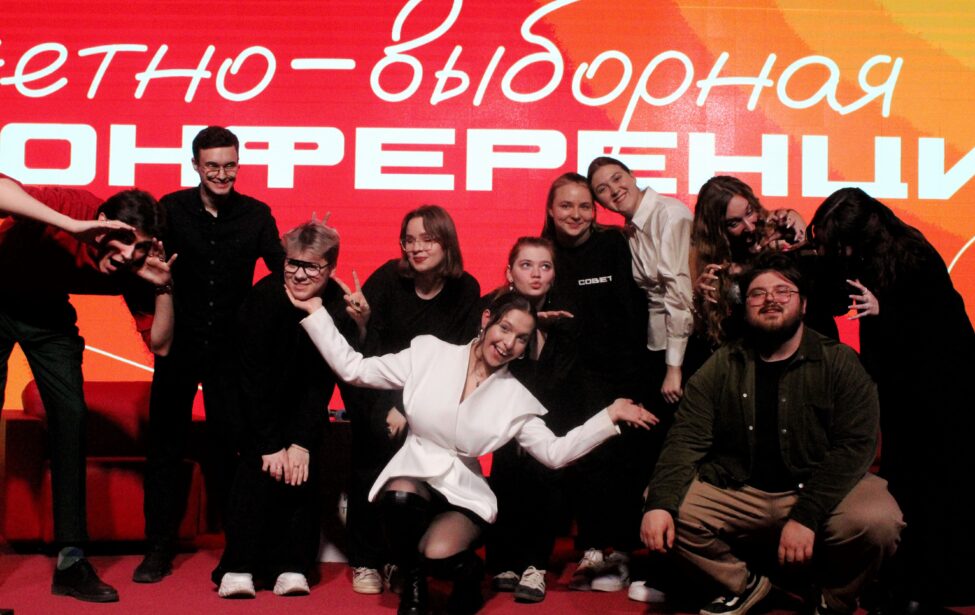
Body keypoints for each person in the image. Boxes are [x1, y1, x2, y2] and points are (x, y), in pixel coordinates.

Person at [291, 289, 657, 615]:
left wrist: (610, 415)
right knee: (399, 497)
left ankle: (469, 578)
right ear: (486, 320)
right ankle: (414, 587)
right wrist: (317, 313)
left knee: (439, 555)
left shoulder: (515, 398)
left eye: (521, 339)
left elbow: (554, 452)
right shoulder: (429, 353)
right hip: (415, 474)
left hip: (462, 493)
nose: (508, 343)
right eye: (505, 328)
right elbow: (354, 369)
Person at [641, 252, 904, 615]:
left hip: (816, 486)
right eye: (758, 293)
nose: (770, 300)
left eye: (783, 291)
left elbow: (855, 447)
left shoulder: (839, 361)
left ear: (804, 304)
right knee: (661, 501)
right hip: (742, 489)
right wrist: (658, 504)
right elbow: (686, 438)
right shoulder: (724, 363)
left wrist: (806, 515)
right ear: (745, 306)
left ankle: (833, 599)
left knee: (879, 520)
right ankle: (745, 585)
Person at [0, 175, 174, 602]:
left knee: (71, 416)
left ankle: (71, 562)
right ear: (103, 221)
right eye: (121, 241)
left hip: (46, 314)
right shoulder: (73, 207)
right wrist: (73, 226)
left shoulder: (135, 266)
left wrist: (163, 287)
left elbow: (161, 345)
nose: (127, 255)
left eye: (139, 247)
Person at [809, 188, 975, 613]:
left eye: (836, 243)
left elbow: (946, 331)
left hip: (941, 394)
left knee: (933, 487)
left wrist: (888, 313)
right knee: (905, 482)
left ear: (856, 237)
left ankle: (931, 586)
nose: (834, 251)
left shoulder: (912, 255)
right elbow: (831, 291)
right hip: (902, 391)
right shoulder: (863, 255)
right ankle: (904, 581)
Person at [135, 126, 285, 583]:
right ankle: (158, 549)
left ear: (239, 164)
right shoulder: (170, 208)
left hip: (230, 351)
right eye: (213, 165)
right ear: (196, 165)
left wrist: (318, 264)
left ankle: (240, 549)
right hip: (177, 346)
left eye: (230, 165)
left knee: (231, 446)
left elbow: (285, 273)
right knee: (164, 448)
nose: (222, 174)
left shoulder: (257, 214)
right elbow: (145, 263)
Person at [211, 220, 358, 598]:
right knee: (259, 469)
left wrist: (300, 442)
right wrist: (270, 443)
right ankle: (239, 566)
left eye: (312, 266)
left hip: (302, 410)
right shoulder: (263, 298)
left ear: (331, 268)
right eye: (293, 263)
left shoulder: (337, 307)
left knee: (300, 471)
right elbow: (251, 379)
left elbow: (321, 383)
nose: (299, 274)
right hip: (251, 407)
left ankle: (293, 565)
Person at [338, 205, 480, 595]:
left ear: (446, 242)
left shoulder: (465, 289)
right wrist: (362, 321)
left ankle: (403, 559)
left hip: (431, 395)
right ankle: (366, 559)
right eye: (410, 240)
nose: (416, 248)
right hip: (378, 388)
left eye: (427, 239)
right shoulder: (388, 277)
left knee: (423, 471)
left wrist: (408, 406)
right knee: (373, 455)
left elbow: (456, 358)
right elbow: (366, 349)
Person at [540, 172, 654, 595]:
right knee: (583, 462)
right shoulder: (545, 253)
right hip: (568, 379)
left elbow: (639, 309)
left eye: (584, 206)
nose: (576, 214)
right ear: (551, 210)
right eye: (566, 205)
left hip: (622, 372)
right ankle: (590, 546)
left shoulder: (614, 244)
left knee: (623, 463)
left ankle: (622, 551)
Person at [483, 237, 579, 604]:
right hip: (498, 416)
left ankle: (535, 565)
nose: (536, 274)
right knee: (505, 471)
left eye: (545, 266)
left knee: (544, 473)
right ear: (510, 272)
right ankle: (503, 560)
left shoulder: (566, 320)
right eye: (526, 265)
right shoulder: (493, 313)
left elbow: (559, 385)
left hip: (549, 418)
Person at [587, 156, 694, 404]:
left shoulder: (668, 215)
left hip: (684, 344)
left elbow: (678, 294)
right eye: (602, 189)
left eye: (617, 178)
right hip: (658, 344)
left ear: (632, 175)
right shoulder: (632, 226)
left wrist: (674, 368)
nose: (614, 190)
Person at [691, 175, 835, 346]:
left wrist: (798, 244)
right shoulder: (708, 263)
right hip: (748, 350)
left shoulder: (781, 229)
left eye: (749, 212)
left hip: (806, 342)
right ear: (717, 229)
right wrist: (699, 301)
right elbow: (710, 331)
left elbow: (822, 295)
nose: (750, 227)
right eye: (734, 223)